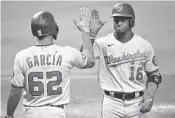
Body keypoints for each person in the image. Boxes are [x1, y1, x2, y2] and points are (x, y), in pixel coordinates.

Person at [5, 7, 95, 118]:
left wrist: (9, 115)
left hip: (31, 113)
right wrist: (86, 32)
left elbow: (15, 91)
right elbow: (89, 61)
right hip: (56, 113)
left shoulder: (21, 56)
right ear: (54, 28)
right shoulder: (67, 52)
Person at [82, 2, 162, 118]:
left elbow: (154, 74)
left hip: (137, 103)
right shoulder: (102, 43)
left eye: (123, 19)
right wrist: (91, 35)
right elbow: (83, 59)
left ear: (132, 22)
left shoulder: (144, 45)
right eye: (116, 20)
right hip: (111, 103)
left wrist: (149, 94)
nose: (118, 23)